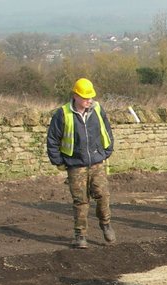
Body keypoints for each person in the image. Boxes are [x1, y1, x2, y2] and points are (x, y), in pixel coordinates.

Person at [46, 78, 116, 249]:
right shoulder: (62, 114)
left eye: (90, 97)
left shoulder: (98, 109)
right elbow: (52, 140)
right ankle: (80, 235)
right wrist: (58, 162)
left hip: (97, 162)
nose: (89, 100)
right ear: (75, 95)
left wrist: (106, 151)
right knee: (81, 201)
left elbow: (107, 131)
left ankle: (105, 224)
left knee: (103, 195)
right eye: (85, 97)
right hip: (75, 164)